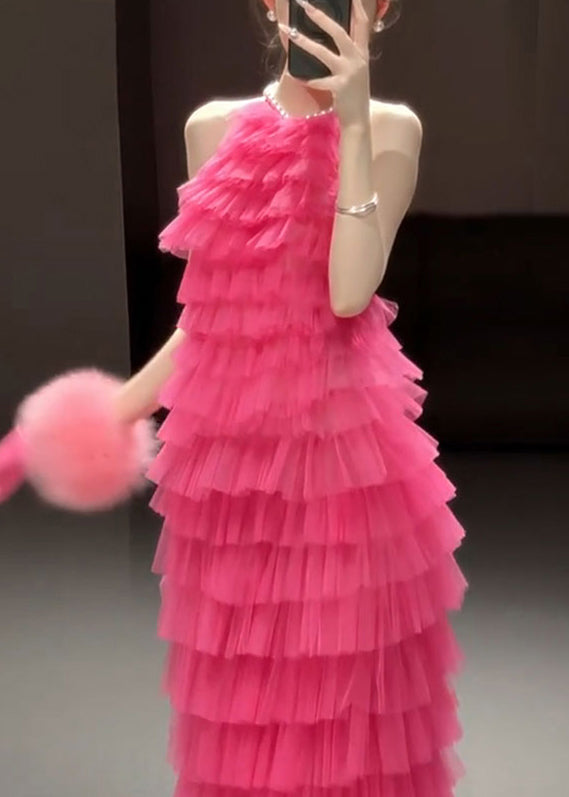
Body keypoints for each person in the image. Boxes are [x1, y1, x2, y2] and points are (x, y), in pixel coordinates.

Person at [0, 0, 469, 794]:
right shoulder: (211, 129)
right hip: (234, 477)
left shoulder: (392, 130)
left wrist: (354, 124)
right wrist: (91, 420)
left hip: (340, 467)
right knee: (245, 709)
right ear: (271, 3)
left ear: (378, 8)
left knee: (339, 716)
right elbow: (210, 317)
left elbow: (349, 292)